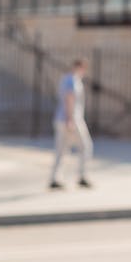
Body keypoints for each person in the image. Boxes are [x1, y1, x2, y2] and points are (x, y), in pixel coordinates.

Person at [49, 58, 93, 190]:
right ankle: (82, 176)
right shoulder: (72, 80)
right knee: (85, 146)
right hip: (72, 119)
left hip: (64, 119)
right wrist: (70, 119)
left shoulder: (66, 79)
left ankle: (55, 178)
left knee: (61, 150)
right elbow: (69, 98)